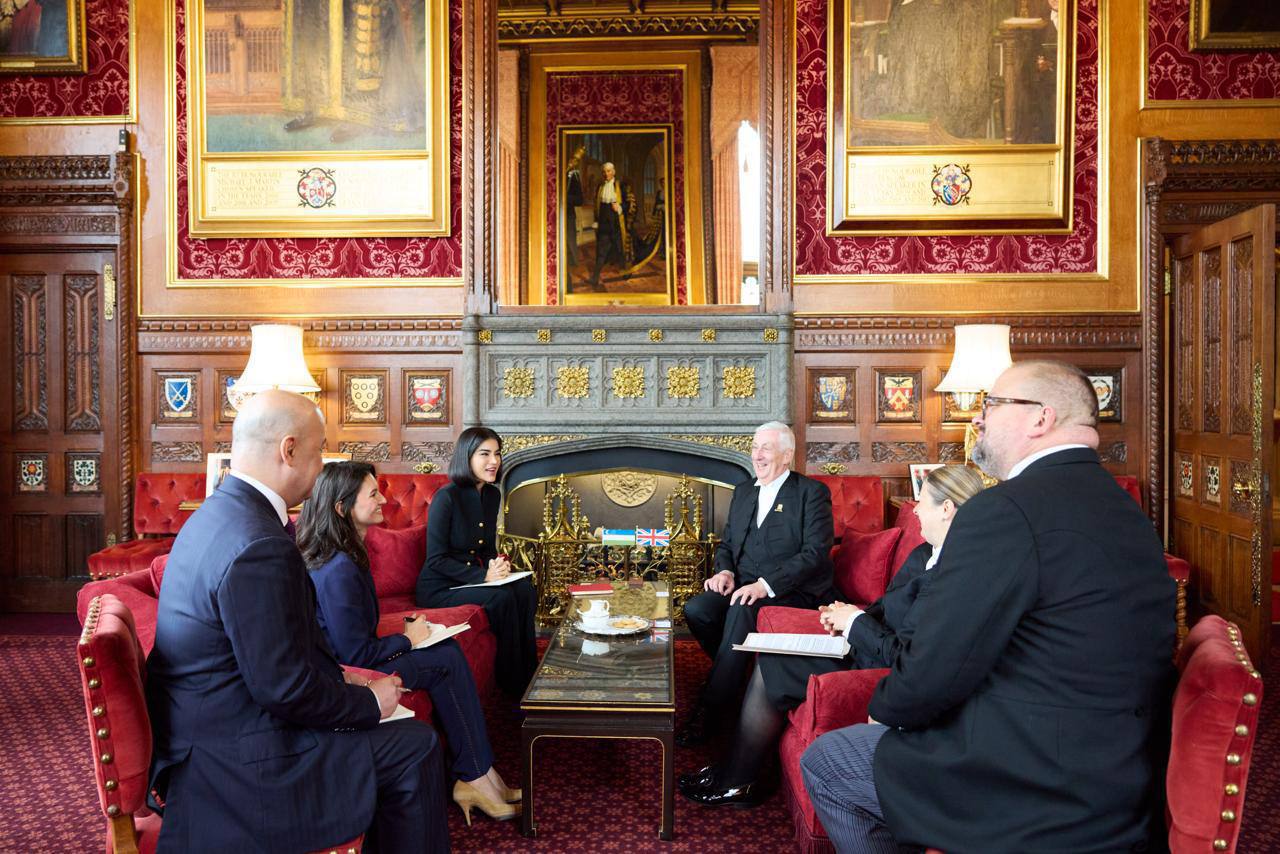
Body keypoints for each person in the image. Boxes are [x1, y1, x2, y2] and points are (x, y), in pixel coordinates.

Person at [800, 360, 1176, 853]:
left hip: (1040, 781)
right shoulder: (1123, 508)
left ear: (1040, 418)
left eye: (992, 405)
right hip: (1119, 766)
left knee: (828, 761)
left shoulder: (1004, 510)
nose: (978, 418)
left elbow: (938, 664)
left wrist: (887, 711)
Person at [145, 390, 448, 853]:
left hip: (206, 735)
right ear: (289, 449)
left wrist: (343, 679)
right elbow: (282, 688)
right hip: (241, 767)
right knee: (416, 746)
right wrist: (369, 702)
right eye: (319, 448)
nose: (322, 463)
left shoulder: (215, 516)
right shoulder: (259, 545)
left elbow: (267, 650)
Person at [680, 465, 985, 807]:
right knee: (771, 657)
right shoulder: (925, 554)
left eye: (923, 502)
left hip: (880, 668)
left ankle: (737, 781)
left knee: (772, 668)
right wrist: (847, 616)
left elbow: (905, 656)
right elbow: (886, 605)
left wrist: (855, 622)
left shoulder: (954, 576)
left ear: (946, 509)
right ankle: (737, 772)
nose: (914, 511)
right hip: (862, 646)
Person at [298, 461, 520, 825]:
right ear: (342, 507)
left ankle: (482, 772)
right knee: (444, 660)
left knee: (446, 651)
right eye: (373, 494)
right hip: (346, 670)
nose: (383, 500)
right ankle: (476, 776)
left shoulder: (346, 554)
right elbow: (354, 653)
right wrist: (407, 639)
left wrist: (409, 634)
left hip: (353, 653)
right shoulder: (338, 568)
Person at [678, 421, 835, 747]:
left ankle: (711, 711)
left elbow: (815, 554)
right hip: (742, 584)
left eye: (766, 448)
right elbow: (727, 545)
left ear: (787, 455)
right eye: (754, 448)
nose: (757, 455)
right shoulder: (744, 491)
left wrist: (766, 585)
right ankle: (733, 674)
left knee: (741, 609)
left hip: (791, 591)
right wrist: (725, 572)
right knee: (697, 609)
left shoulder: (811, 493)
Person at [416, 427, 538, 698]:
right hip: (440, 587)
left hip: (471, 579)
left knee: (525, 590)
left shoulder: (492, 495)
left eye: (497, 453)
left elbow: (487, 549)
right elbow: (436, 560)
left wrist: (497, 566)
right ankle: (512, 684)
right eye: (485, 454)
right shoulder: (446, 497)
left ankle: (530, 673)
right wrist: (484, 577)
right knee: (501, 599)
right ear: (467, 457)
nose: (494, 461)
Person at [589, 161, 636, 290]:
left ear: (613, 172)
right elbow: (597, 206)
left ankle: (626, 271)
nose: (606, 174)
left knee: (621, 249)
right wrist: (596, 220)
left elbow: (629, 203)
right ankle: (595, 277)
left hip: (617, 225)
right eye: (604, 172)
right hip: (604, 225)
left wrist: (620, 207)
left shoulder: (621, 186)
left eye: (609, 171)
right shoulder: (600, 187)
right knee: (601, 251)